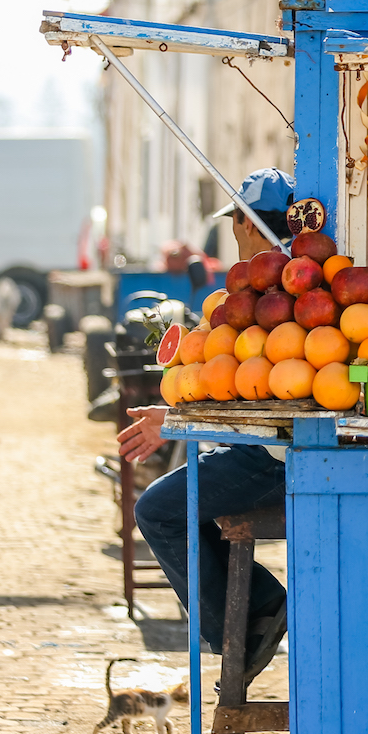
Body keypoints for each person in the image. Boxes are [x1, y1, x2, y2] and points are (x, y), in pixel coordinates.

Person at [117, 168, 294, 685]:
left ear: (243, 222)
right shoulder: (296, 278)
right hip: (273, 447)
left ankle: (239, 634)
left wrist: (173, 423)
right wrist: (176, 418)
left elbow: (256, 393)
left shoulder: (262, 286)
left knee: (157, 510)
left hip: (272, 455)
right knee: (177, 506)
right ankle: (257, 609)